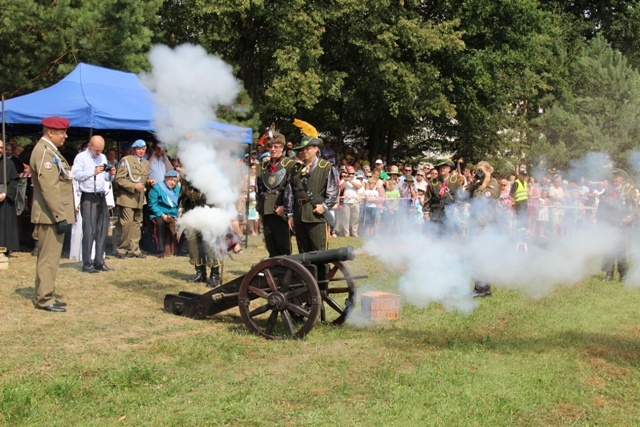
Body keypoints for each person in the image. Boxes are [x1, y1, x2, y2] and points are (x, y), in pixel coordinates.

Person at [30, 116, 76, 312]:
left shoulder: (50, 151)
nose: (65, 136)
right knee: (48, 258)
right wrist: (60, 216)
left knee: (51, 258)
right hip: (50, 215)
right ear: (50, 132)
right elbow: (50, 188)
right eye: (62, 132)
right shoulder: (44, 153)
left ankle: (47, 293)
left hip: (52, 214)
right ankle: (44, 299)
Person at [284, 135, 339, 253]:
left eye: (307, 148)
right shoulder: (295, 169)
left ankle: (322, 273)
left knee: (320, 253)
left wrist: (324, 207)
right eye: (302, 149)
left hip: (317, 217)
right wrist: (290, 214)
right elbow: (289, 193)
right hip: (299, 217)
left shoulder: (326, 167)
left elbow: (333, 192)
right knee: (303, 254)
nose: (304, 152)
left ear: (316, 149)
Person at [72, 135, 116, 273]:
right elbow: (76, 175)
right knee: (89, 230)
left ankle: (99, 261)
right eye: (96, 150)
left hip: (101, 195)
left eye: (100, 150)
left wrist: (111, 174)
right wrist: (92, 172)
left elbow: (105, 178)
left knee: (103, 229)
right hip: (88, 196)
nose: (98, 153)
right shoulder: (81, 157)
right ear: (90, 146)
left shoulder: (102, 157)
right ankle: (87, 263)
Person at [255, 132, 296, 257]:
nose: (273, 149)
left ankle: (285, 272)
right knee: (270, 244)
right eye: (270, 146)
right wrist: (261, 211)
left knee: (283, 245)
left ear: (282, 148)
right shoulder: (263, 166)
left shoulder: (290, 164)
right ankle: (274, 272)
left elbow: (293, 189)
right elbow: (259, 189)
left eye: (276, 146)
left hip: (281, 210)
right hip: (267, 209)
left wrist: (285, 207)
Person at [178, 179, 222, 287]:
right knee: (193, 243)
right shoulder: (187, 176)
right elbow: (182, 196)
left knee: (208, 244)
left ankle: (215, 274)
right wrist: (181, 209)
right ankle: (200, 272)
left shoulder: (210, 174)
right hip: (192, 212)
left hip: (209, 211)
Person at [114, 139, 153, 258]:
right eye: (139, 149)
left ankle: (134, 249)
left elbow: (143, 179)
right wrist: (133, 186)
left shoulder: (146, 163)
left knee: (137, 224)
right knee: (127, 224)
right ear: (133, 149)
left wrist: (148, 182)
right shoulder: (126, 160)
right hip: (127, 197)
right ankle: (122, 249)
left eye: (143, 149)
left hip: (140, 198)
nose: (141, 151)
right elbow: (119, 179)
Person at [468, 160, 500, 297]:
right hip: (477, 223)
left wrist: (485, 182)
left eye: (482, 170)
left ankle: (482, 289)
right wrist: (472, 182)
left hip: (485, 224)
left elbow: (480, 199)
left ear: (489, 170)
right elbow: (465, 196)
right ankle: (483, 288)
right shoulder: (478, 184)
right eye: (477, 170)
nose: (479, 173)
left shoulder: (493, 184)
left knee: (481, 256)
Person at [598, 169, 636, 281]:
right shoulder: (607, 191)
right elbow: (601, 206)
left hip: (622, 224)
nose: (614, 178)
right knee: (608, 248)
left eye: (617, 176)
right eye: (613, 176)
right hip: (609, 223)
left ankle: (623, 274)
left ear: (622, 178)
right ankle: (609, 274)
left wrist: (628, 218)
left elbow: (634, 208)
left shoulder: (629, 191)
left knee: (621, 250)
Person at [422, 159, 462, 236]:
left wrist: (457, 208)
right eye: (440, 168)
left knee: (447, 233)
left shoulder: (455, 181)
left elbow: (460, 196)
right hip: (435, 211)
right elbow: (428, 197)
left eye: (444, 167)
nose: (442, 169)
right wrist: (426, 212)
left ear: (449, 169)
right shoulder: (433, 182)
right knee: (435, 233)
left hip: (449, 211)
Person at [147, 170, 181, 257]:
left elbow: (180, 203)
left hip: (173, 214)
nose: (173, 183)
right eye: (171, 180)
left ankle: (182, 250)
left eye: (175, 181)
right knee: (159, 223)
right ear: (165, 179)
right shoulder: (157, 188)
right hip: (158, 214)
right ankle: (160, 250)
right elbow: (152, 205)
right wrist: (162, 215)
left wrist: (179, 214)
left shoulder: (178, 189)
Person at [0, 139, 20, 255]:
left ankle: (5, 247)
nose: (0, 150)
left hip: (4, 197)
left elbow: (13, 181)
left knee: (5, 223)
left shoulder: (9, 163)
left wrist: (4, 193)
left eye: (2, 147)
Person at [338, 166, 362, 237]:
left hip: (355, 202)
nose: (351, 175)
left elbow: (358, 187)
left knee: (355, 219)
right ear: (347, 173)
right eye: (350, 173)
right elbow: (340, 187)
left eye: (353, 173)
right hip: (346, 202)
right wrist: (346, 180)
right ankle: (346, 233)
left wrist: (351, 181)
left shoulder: (357, 180)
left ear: (355, 173)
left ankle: (354, 233)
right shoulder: (344, 180)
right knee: (346, 219)